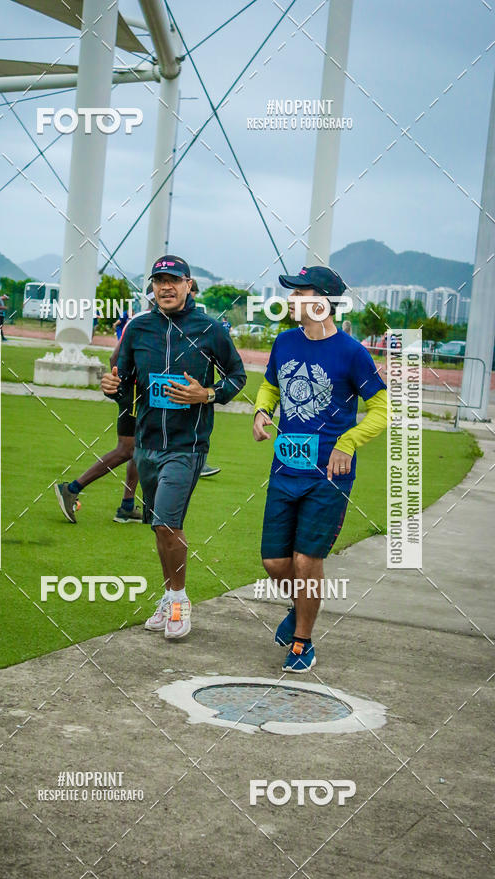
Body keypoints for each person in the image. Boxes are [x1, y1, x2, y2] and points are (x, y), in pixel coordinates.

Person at [102, 254, 246, 639]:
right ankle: (169, 598)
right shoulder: (138, 328)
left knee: (167, 521)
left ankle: (180, 601)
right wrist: (113, 388)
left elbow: (238, 375)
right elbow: (126, 380)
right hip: (147, 444)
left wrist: (207, 394)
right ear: (152, 286)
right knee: (159, 527)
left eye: (174, 280)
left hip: (187, 445)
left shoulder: (210, 329)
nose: (165, 287)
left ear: (188, 285)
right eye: (158, 281)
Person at [253, 265, 387, 672]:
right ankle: (301, 608)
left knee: (306, 560)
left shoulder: (351, 352)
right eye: (291, 293)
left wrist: (348, 442)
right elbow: (271, 384)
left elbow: (382, 410)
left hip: (328, 476)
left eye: (299, 292)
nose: (291, 300)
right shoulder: (285, 342)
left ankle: (302, 641)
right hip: (284, 469)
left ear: (323, 301)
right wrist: (262, 409)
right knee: (275, 563)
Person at [54, 335, 142, 525]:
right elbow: (114, 357)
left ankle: (127, 507)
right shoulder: (143, 321)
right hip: (135, 393)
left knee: (137, 450)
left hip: (140, 394)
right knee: (127, 449)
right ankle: (71, 489)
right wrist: (123, 385)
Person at [189, 278, 222, 478]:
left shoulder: (206, 326)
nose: (192, 296)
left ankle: (198, 463)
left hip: (196, 392)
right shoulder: (145, 322)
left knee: (198, 425)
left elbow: (235, 373)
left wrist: (209, 393)